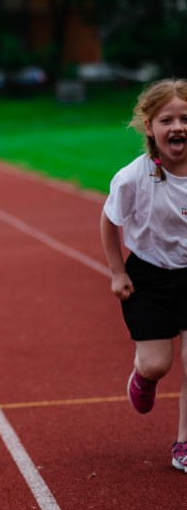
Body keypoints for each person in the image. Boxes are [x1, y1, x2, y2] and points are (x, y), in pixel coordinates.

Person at [100, 78, 187, 470]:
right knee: (158, 364)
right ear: (149, 126)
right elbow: (109, 221)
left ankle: (184, 443)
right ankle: (143, 376)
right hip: (150, 276)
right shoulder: (133, 177)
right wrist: (118, 272)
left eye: (185, 118)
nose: (178, 127)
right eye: (167, 119)